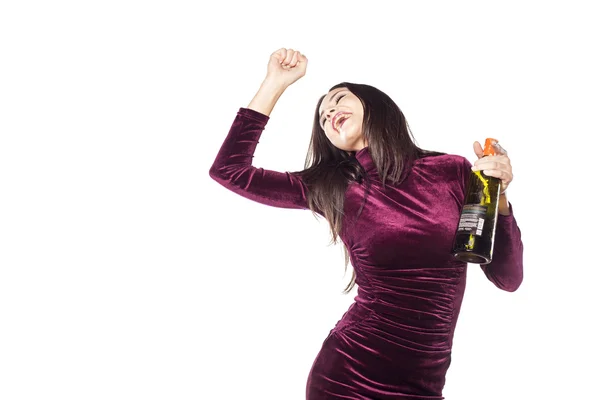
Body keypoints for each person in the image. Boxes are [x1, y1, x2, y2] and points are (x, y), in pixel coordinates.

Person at [209, 48, 524, 400]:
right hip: (349, 378)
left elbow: (507, 279)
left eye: (339, 100)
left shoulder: (452, 170)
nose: (330, 113)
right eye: (324, 116)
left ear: (375, 106)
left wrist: (499, 199)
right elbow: (229, 171)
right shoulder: (334, 188)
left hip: (426, 385)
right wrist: (275, 83)